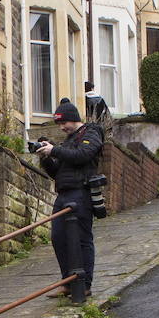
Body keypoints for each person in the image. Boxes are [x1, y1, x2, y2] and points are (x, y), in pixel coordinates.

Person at [36, 98, 104, 301]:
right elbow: (58, 173)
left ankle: (84, 284)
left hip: (81, 193)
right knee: (58, 237)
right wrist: (46, 158)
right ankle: (68, 281)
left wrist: (54, 150)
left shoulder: (92, 132)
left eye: (63, 122)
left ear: (73, 118)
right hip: (63, 193)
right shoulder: (68, 141)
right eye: (58, 123)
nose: (62, 127)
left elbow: (83, 154)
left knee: (82, 239)